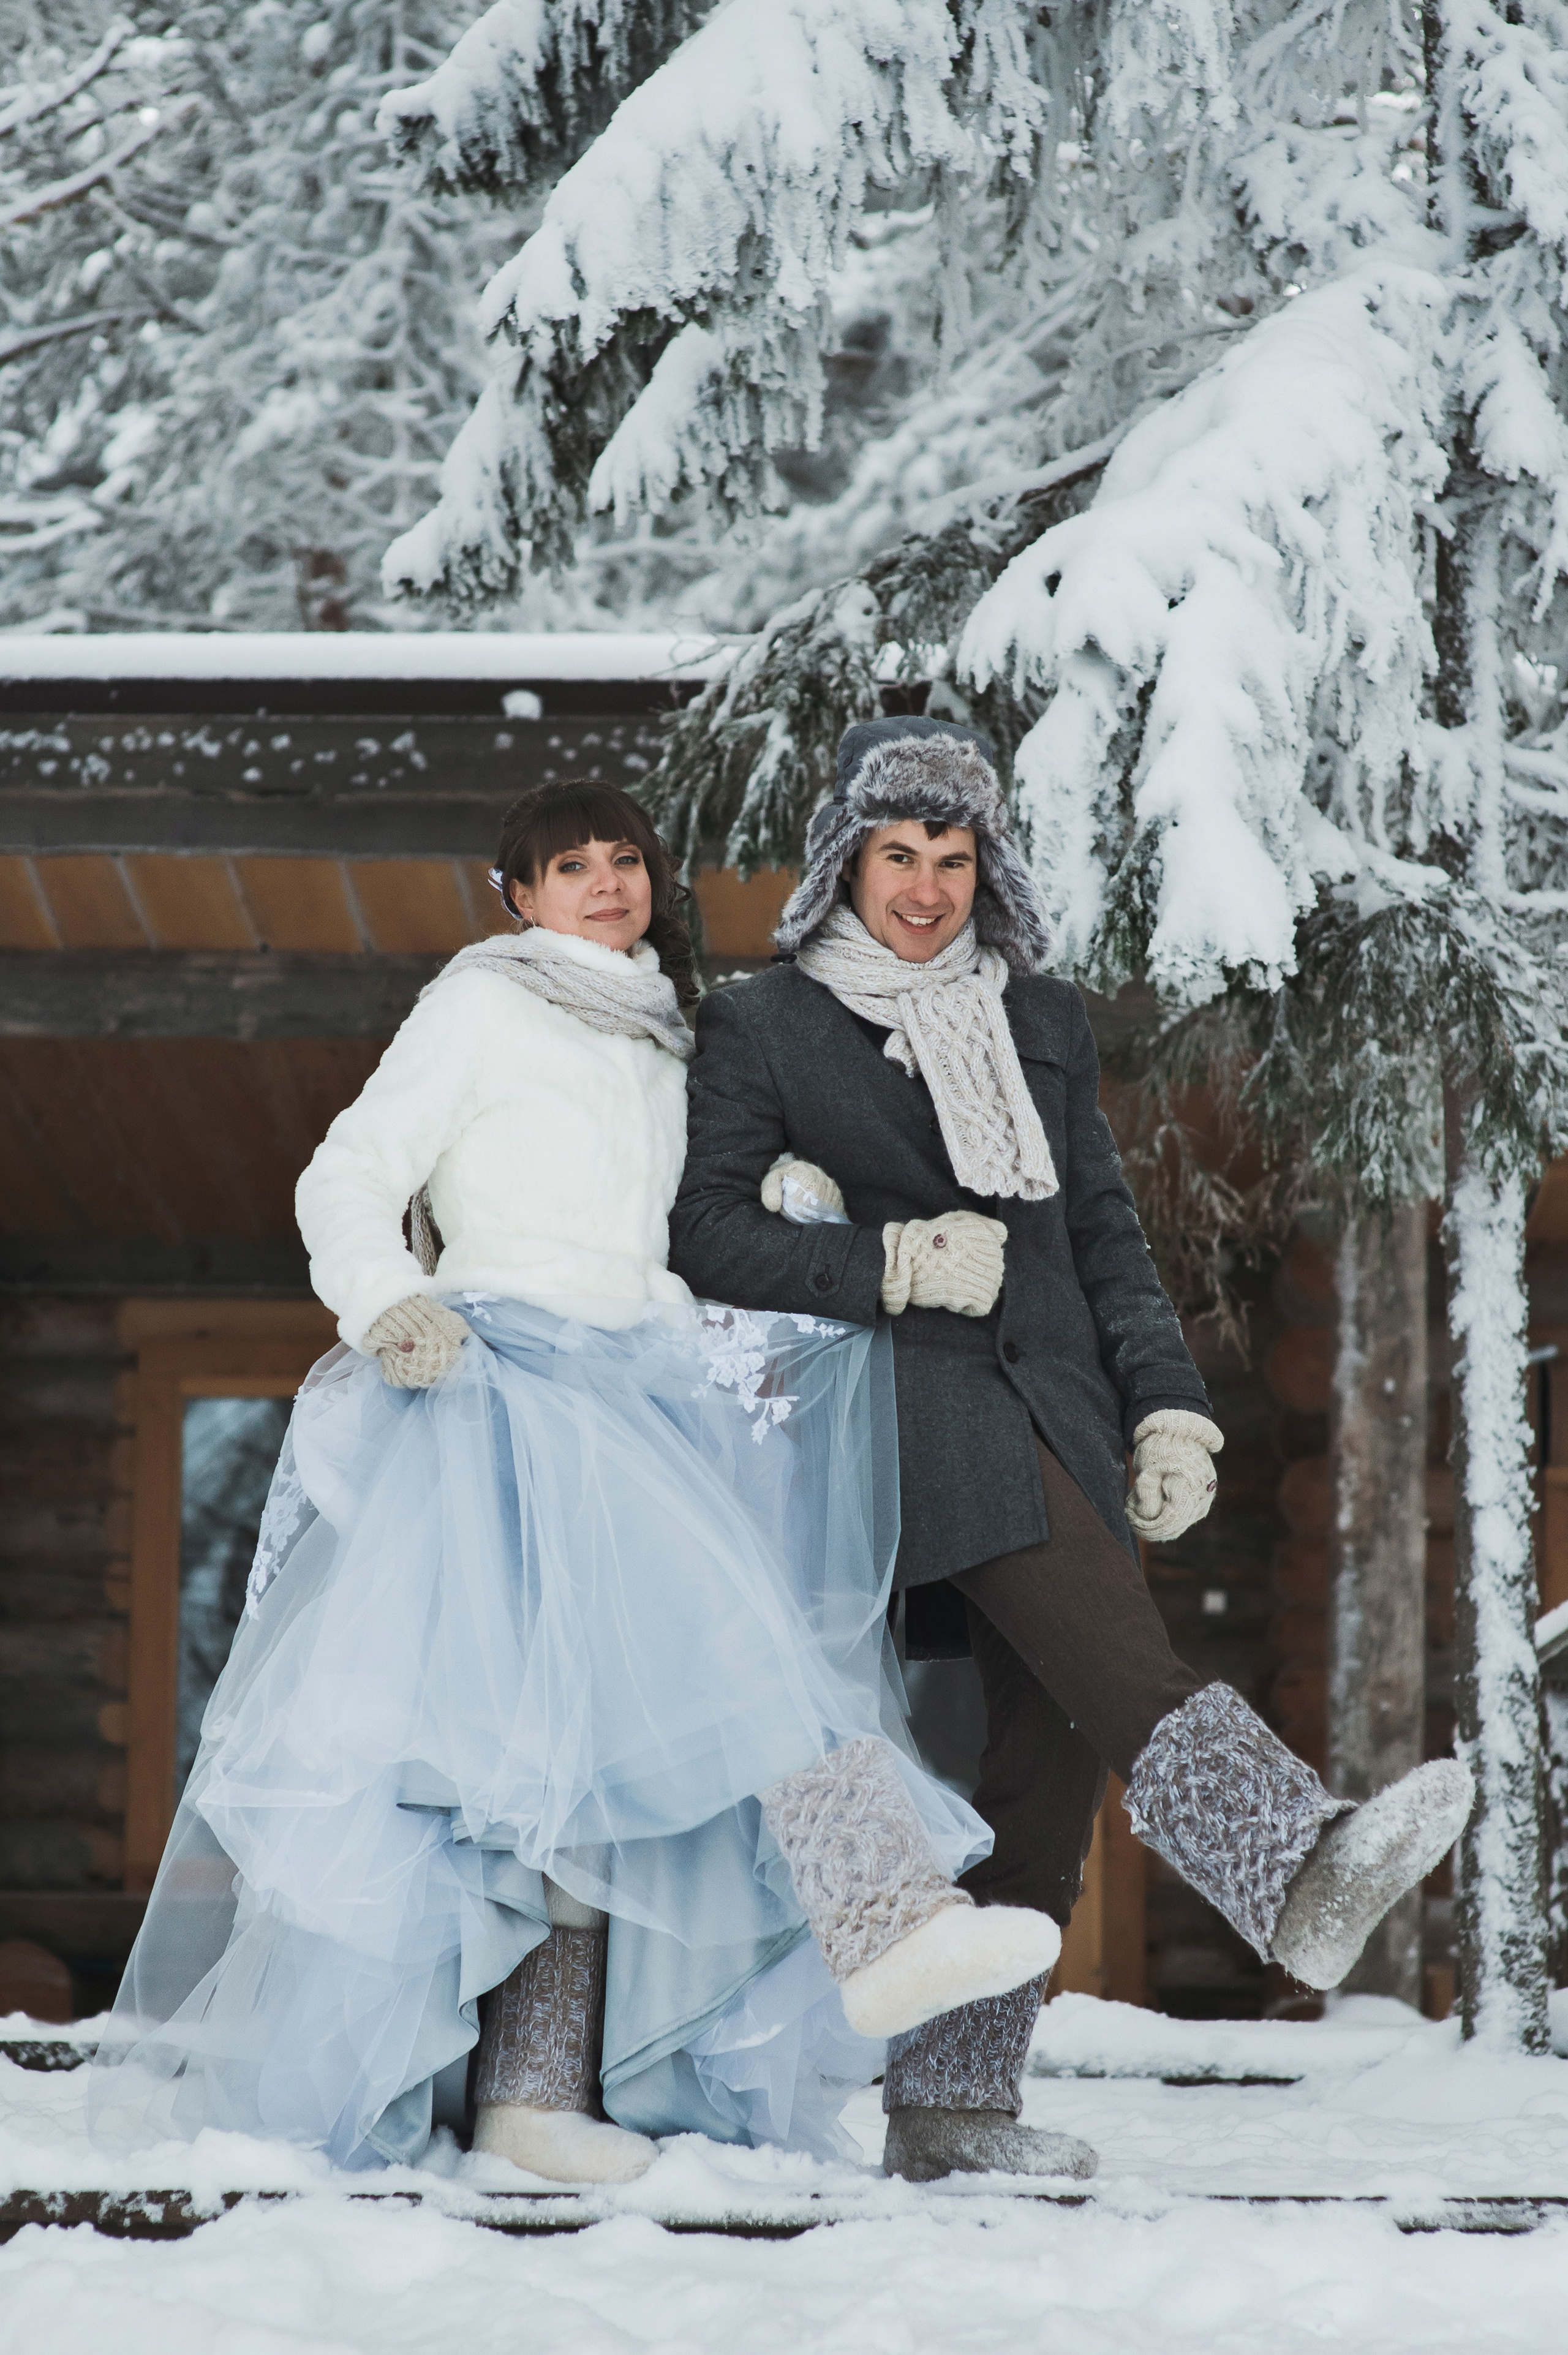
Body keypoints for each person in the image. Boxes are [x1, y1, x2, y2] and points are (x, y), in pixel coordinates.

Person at [89, 780, 1061, 2184]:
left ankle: (535, 2106)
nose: (603, 885)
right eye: (567, 868)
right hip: (498, 1388)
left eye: (624, 862)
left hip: (643, 1386)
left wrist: (784, 1198)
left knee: (603, 1768)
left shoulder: (673, 1038)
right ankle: (888, 1917)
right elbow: (344, 1175)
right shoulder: (481, 1006)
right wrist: (384, 1302)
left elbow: (681, 1222)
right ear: (516, 896)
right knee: (675, 1691)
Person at [668, 715, 1474, 2184]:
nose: (923, 889)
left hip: (1056, 1409)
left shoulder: (1035, 1019)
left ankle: (955, 2109)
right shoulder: (764, 1023)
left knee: (1042, 1753)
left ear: (988, 868)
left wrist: (1167, 1402)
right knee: (1115, 1660)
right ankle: (1287, 1862)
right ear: (845, 861)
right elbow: (702, 1229)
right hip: (895, 1413)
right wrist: (890, 1262)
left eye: (953, 859)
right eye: (897, 856)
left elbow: (1098, 1232)